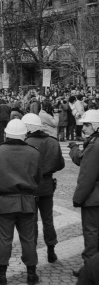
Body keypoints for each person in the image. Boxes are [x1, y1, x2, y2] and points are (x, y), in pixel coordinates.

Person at [0, 119, 42, 285]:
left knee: (5, 239)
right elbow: (38, 177)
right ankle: (32, 273)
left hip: (5, 200)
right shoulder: (34, 153)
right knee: (28, 238)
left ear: (6, 133)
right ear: (24, 134)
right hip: (26, 200)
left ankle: (1, 273)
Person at [23, 112, 65, 263]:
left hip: (30, 185)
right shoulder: (53, 142)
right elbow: (60, 164)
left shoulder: (25, 143)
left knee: (31, 220)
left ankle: (32, 250)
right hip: (47, 184)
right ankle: (51, 250)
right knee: (48, 220)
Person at [69, 109, 99, 277]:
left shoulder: (95, 145)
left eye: (87, 125)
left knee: (91, 233)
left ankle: (90, 270)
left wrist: (78, 198)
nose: (84, 128)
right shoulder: (94, 142)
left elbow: (87, 176)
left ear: (96, 125)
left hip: (94, 197)